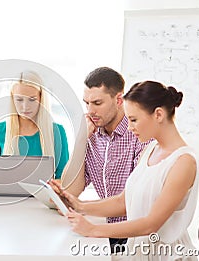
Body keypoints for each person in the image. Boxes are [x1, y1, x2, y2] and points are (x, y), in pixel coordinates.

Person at [56, 81, 199, 259]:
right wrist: (79, 206)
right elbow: (123, 202)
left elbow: (150, 224)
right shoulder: (150, 150)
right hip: (138, 251)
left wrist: (93, 229)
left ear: (158, 115)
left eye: (133, 120)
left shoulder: (183, 162)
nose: (130, 127)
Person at [57, 67, 148, 251]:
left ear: (119, 100)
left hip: (134, 235)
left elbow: (134, 201)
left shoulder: (140, 135)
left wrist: (82, 208)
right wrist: (81, 139)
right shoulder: (93, 135)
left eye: (97, 103)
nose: (90, 111)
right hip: (107, 231)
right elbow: (69, 190)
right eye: (87, 103)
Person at [0, 71, 69, 185]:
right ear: (12, 99)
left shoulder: (57, 132)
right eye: (19, 100)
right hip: (8, 200)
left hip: (44, 201)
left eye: (32, 99)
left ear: (41, 99)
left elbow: (64, 177)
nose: (25, 106)